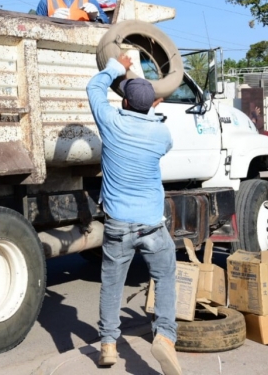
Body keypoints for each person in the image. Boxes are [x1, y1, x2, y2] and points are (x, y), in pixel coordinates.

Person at [86, 53, 181, 374]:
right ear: (153, 104)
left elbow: (93, 88)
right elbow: (160, 135)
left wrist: (116, 65)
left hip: (117, 224)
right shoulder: (161, 135)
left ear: (124, 102)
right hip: (152, 225)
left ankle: (108, 345)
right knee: (165, 276)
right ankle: (165, 337)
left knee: (112, 283)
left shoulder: (111, 123)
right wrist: (152, 110)